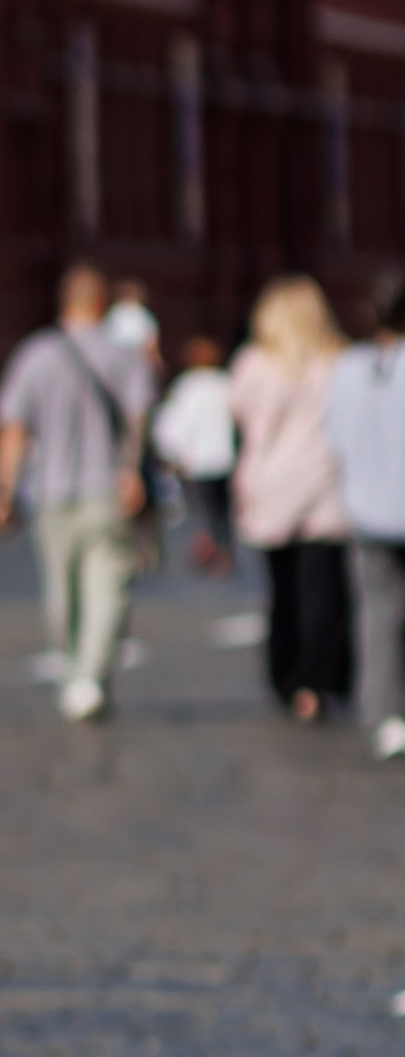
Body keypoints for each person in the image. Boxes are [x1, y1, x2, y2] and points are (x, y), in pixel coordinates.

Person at [0, 265, 151, 723]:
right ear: (102, 303)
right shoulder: (125, 356)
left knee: (62, 591)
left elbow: (12, 429)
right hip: (108, 488)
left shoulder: (35, 355)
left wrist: (4, 487)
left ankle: (79, 670)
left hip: (50, 492)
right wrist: (132, 471)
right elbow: (140, 421)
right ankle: (89, 676)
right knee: (107, 587)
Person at [228, 276, 353, 723]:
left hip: (272, 485)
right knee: (324, 592)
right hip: (325, 485)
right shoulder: (338, 363)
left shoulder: (254, 363)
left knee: (281, 591)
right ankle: (316, 681)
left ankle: (285, 675)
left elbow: (238, 416)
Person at [326, 266, 405, 763]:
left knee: (377, 614)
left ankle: (385, 712)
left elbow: (332, 437)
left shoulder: (349, 369)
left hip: (368, 510)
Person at [152, 335, 238, 574]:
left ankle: (209, 548)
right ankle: (223, 549)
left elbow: (175, 425)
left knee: (202, 509)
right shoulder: (225, 384)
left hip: (197, 460)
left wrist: (173, 452)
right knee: (221, 509)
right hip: (224, 458)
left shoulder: (186, 387)